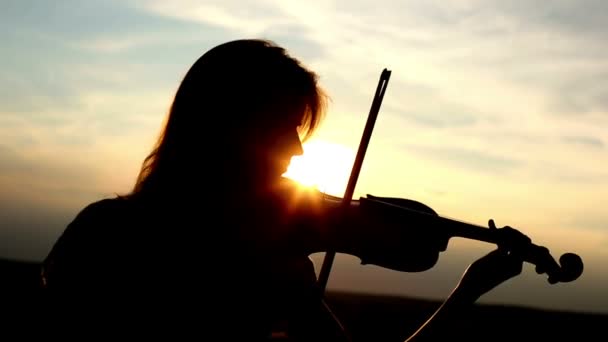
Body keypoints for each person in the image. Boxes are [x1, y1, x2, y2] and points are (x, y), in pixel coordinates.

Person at [41, 39, 526, 341]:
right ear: (227, 126)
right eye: (283, 128)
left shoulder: (102, 229)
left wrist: (466, 292)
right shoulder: (108, 239)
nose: (297, 152)